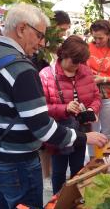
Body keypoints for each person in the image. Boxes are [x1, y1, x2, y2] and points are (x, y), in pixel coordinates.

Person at [0, 3, 107, 209]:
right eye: (39, 35)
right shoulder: (22, 70)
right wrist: (84, 138)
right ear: (20, 29)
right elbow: (43, 128)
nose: (42, 43)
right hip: (18, 161)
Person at [39, 35, 101, 194]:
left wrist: (92, 110)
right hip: (59, 132)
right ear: (64, 54)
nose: (77, 65)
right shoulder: (46, 75)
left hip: (81, 130)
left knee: (78, 168)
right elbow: (41, 108)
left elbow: (96, 96)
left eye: (81, 62)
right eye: (75, 61)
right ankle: (57, 202)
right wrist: (64, 108)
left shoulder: (85, 71)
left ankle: (74, 199)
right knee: (58, 172)